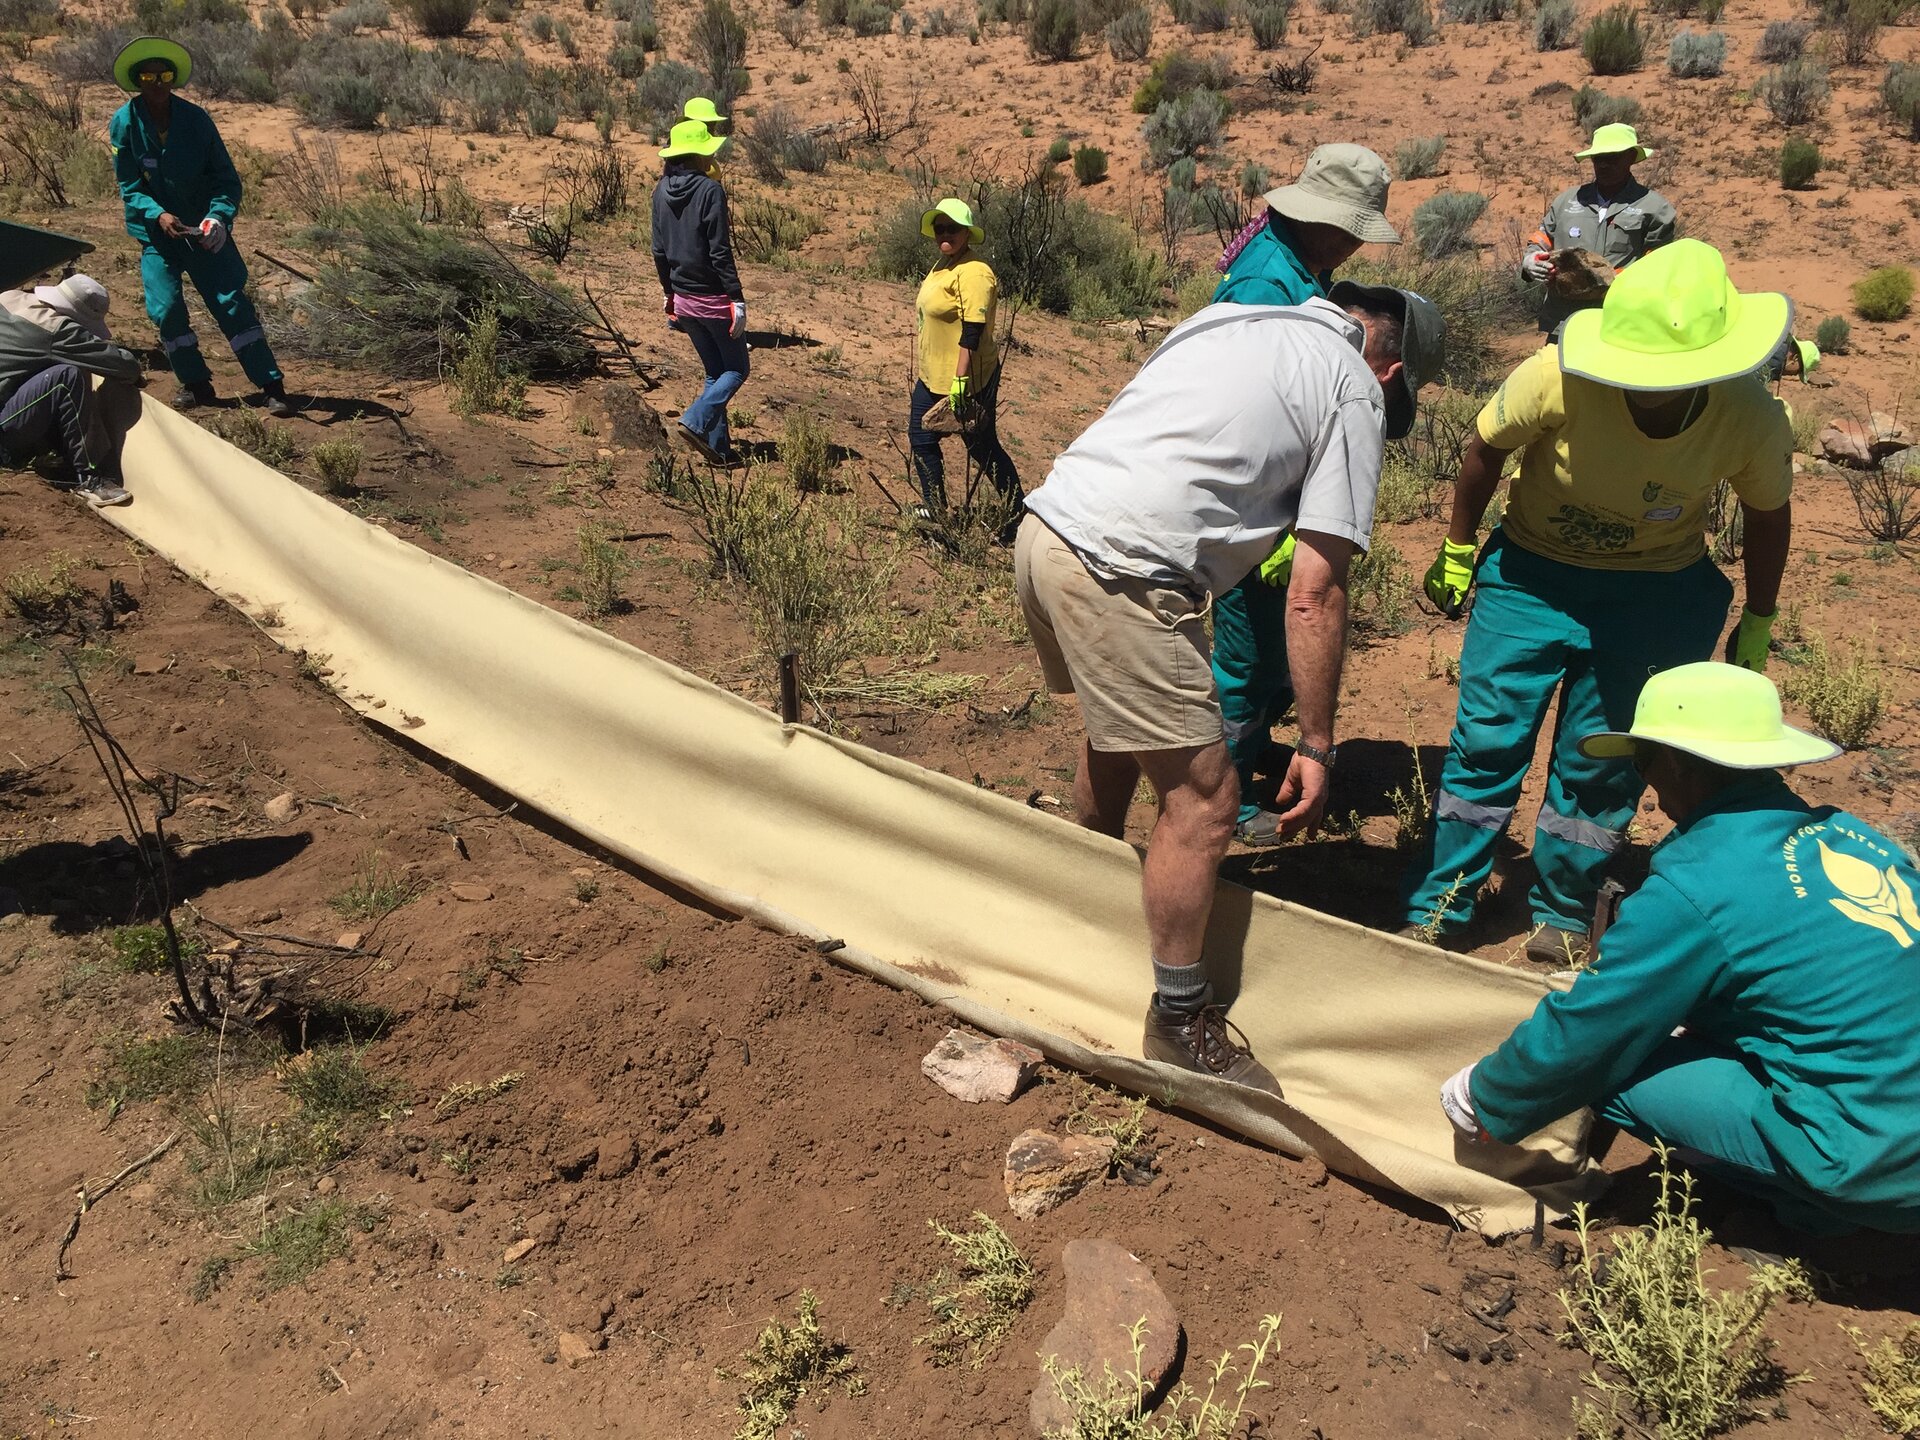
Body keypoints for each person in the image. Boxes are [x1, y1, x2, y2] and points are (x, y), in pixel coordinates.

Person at [1016, 283, 1443, 1091]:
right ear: (1390, 373)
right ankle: (1179, 1020)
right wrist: (1317, 744)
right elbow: (1315, 590)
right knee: (1208, 802)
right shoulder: (1354, 386)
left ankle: (1081, 914)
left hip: (1048, 529)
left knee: (1118, 732)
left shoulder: (1234, 318)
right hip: (1124, 571)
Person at [1403, 240, 1794, 964]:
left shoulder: (1748, 415)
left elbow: (1768, 514)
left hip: (1657, 597)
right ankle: (1442, 905)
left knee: (1603, 760)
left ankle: (1564, 908)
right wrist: (1458, 547)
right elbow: (1485, 449)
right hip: (1531, 579)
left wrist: (1760, 616)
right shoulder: (1556, 375)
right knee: (1487, 742)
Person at [1440, 662, 1920, 1237]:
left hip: (1877, 1159)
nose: (1645, 782)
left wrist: (1484, 1098)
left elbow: (1596, 1030)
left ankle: (1812, 1213)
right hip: (1897, 1110)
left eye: (1642, 760)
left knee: (1612, 1067)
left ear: (1674, 762)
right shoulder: (1858, 839)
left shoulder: (1699, 880)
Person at [1208, 144, 1401, 844]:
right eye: (1352, 228)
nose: (1356, 245)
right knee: (1247, 660)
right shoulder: (1267, 283)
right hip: (1247, 502)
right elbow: (1246, 401)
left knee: (1270, 657)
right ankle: (1223, 796)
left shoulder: (1298, 264)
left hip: (1271, 498)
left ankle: (1249, 746)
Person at [107, 36, 292, 416]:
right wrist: (158, 214)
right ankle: (195, 384)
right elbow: (129, 185)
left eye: (164, 75)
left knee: (231, 303)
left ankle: (271, 384)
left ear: (173, 79)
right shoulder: (124, 123)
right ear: (137, 81)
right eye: (148, 76)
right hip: (157, 235)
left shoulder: (196, 120)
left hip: (203, 232)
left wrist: (218, 217)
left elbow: (226, 180)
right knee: (166, 308)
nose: (157, 83)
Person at [907, 198, 1021, 530]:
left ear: (967, 232)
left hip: (968, 378)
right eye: (940, 228)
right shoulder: (942, 266)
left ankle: (1018, 511)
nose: (945, 233)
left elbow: (973, 329)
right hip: (932, 376)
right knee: (921, 437)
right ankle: (936, 510)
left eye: (953, 228)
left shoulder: (975, 272)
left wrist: (960, 380)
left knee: (982, 447)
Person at [1519, 123, 1677, 336]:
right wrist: (1531, 260)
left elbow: (1658, 264)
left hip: (1619, 322)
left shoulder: (1654, 207)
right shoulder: (1567, 200)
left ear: (1631, 157)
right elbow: (1543, 237)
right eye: (1598, 158)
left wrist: (1618, 279)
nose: (1604, 165)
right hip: (1564, 321)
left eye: (1612, 158)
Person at [652, 118, 747, 467]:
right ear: (697, 155)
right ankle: (694, 420)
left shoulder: (660, 190)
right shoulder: (710, 191)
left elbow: (658, 250)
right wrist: (736, 298)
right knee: (736, 370)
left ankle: (719, 451)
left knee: (714, 373)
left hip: (683, 299)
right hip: (713, 298)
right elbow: (719, 251)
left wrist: (669, 293)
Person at [0, 274, 142, 508]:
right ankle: (88, 478)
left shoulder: (8, 297)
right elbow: (126, 366)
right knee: (67, 376)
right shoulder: (57, 329)